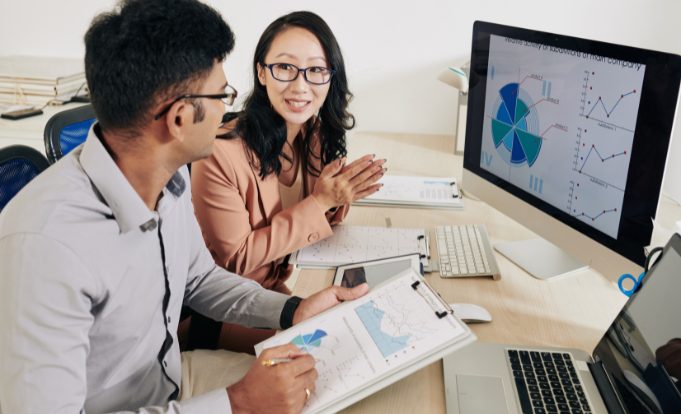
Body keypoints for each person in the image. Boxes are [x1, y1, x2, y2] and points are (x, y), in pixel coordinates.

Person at [0, 1, 368, 413]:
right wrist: (238, 403)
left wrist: (291, 309)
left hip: (171, 381)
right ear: (178, 119)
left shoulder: (168, 180)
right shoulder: (46, 246)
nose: (229, 108)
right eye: (221, 95)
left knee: (339, 388)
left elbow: (200, 280)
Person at [191, 11, 386, 294]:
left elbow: (318, 222)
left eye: (316, 70)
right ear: (261, 73)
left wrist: (336, 196)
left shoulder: (314, 133)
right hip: (227, 304)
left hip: (276, 290)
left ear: (331, 77)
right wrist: (321, 201)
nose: (300, 86)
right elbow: (237, 260)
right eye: (285, 67)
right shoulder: (219, 153)